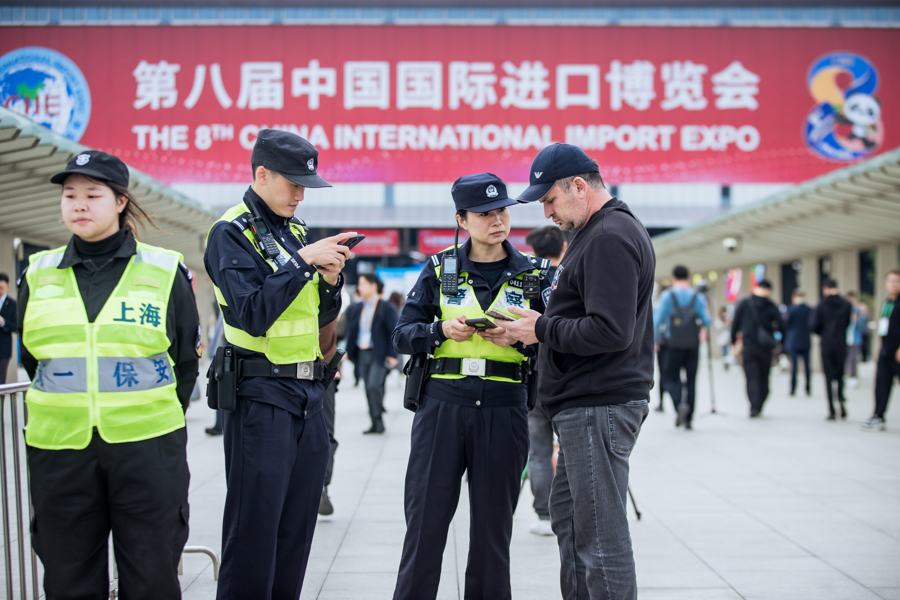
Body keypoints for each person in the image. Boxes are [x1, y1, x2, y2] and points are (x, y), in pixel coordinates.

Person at [18, 150, 199, 598]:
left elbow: (185, 364)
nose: (78, 204)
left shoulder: (162, 270)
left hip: (148, 450)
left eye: (92, 194)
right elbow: (31, 359)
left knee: (152, 574)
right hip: (60, 451)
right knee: (67, 577)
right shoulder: (37, 275)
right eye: (70, 195)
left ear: (120, 202)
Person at [205, 129, 354, 599]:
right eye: (291, 181)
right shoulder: (231, 231)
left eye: (305, 184)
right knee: (254, 530)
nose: (299, 192)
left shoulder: (296, 233)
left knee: (296, 529)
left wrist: (330, 279)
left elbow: (319, 316)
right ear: (261, 174)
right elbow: (250, 312)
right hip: (259, 395)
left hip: (309, 394)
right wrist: (302, 263)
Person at [505, 144, 654, 600]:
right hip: (583, 405)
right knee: (571, 523)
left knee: (600, 541)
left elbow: (611, 330)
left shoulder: (609, 235)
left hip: (599, 404)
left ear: (578, 186)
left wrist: (541, 328)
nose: (547, 212)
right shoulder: (595, 232)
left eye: (549, 199)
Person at [391, 173, 551, 600]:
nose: (497, 220)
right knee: (424, 524)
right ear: (462, 219)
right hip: (442, 406)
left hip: (505, 407)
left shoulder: (535, 275)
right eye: (484, 213)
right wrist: (440, 330)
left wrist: (523, 336)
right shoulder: (440, 268)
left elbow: (556, 341)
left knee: (492, 532)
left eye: (502, 210)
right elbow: (402, 335)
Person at [523, 225, 567, 536]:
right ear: (563, 247)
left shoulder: (528, 280)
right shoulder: (568, 277)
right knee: (571, 448)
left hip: (534, 376)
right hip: (566, 376)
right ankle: (571, 511)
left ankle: (544, 516)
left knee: (538, 449)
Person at [653, 265, 711, 430]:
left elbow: (658, 321)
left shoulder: (667, 296)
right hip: (692, 344)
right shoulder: (698, 296)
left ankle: (679, 404)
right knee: (691, 381)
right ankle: (689, 419)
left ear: (673, 277)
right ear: (689, 277)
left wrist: (657, 340)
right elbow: (706, 320)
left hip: (673, 344)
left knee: (670, 377)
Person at [345, 273, 399, 434]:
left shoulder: (385, 307)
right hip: (362, 352)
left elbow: (394, 331)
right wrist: (348, 350)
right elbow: (351, 331)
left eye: (362, 284)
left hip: (380, 353)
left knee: (374, 385)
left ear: (373, 286)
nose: (359, 287)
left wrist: (393, 355)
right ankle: (375, 422)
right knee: (368, 388)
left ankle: (378, 419)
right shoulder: (357, 307)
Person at [731, 280, 784, 417]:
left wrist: (732, 340)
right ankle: (759, 403)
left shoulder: (745, 303)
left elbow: (735, 323)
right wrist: (779, 343)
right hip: (766, 347)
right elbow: (782, 325)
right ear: (768, 290)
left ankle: (754, 405)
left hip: (749, 346)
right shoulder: (771, 304)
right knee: (764, 376)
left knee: (751, 377)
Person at [860, 269, 900, 431]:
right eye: (890, 281)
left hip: (898, 353)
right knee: (881, 384)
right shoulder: (887, 302)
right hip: (885, 351)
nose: (893, 284)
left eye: (897, 281)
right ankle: (878, 416)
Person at [810, 279, 853, 420]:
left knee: (828, 377)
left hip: (827, 344)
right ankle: (841, 400)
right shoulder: (846, 304)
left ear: (825, 289)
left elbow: (814, 325)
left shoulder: (822, 304)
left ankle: (831, 409)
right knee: (840, 375)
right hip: (841, 343)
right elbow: (847, 323)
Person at [318, 319, 340, 515]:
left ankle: (319, 486)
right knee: (325, 432)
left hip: (297, 371)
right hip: (325, 371)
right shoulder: (330, 290)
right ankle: (321, 485)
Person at [784, 289, 813, 397]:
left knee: (794, 367)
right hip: (805, 340)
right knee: (807, 367)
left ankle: (792, 389)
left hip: (794, 341)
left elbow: (786, 324)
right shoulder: (809, 309)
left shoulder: (791, 310)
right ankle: (808, 388)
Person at [654, 284, 671, 411]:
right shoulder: (674, 305)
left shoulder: (657, 305)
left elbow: (656, 323)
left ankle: (661, 403)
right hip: (675, 343)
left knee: (662, 372)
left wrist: (655, 341)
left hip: (662, 343)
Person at [845, 292, 864, 388]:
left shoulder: (857, 311)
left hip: (855, 338)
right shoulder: (843, 310)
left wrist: (858, 319)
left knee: (853, 358)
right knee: (846, 358)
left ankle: (853, 376)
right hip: (845, 337)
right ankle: (846, 375)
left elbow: (863, 325)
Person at [0, 273, 16, 384]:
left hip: (3, 349)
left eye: (1, 288)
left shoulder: (12, 304)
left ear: (7, 287)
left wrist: (3, 322)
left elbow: (16, 327)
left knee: (1, 380)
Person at [716, 307, 732, 371]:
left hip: (728, 337)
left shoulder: (727, 318)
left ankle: (727, 364)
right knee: (724, 351)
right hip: (722, 338)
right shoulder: (719, 320)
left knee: (728, 351)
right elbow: (719, 327)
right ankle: (725, 365)